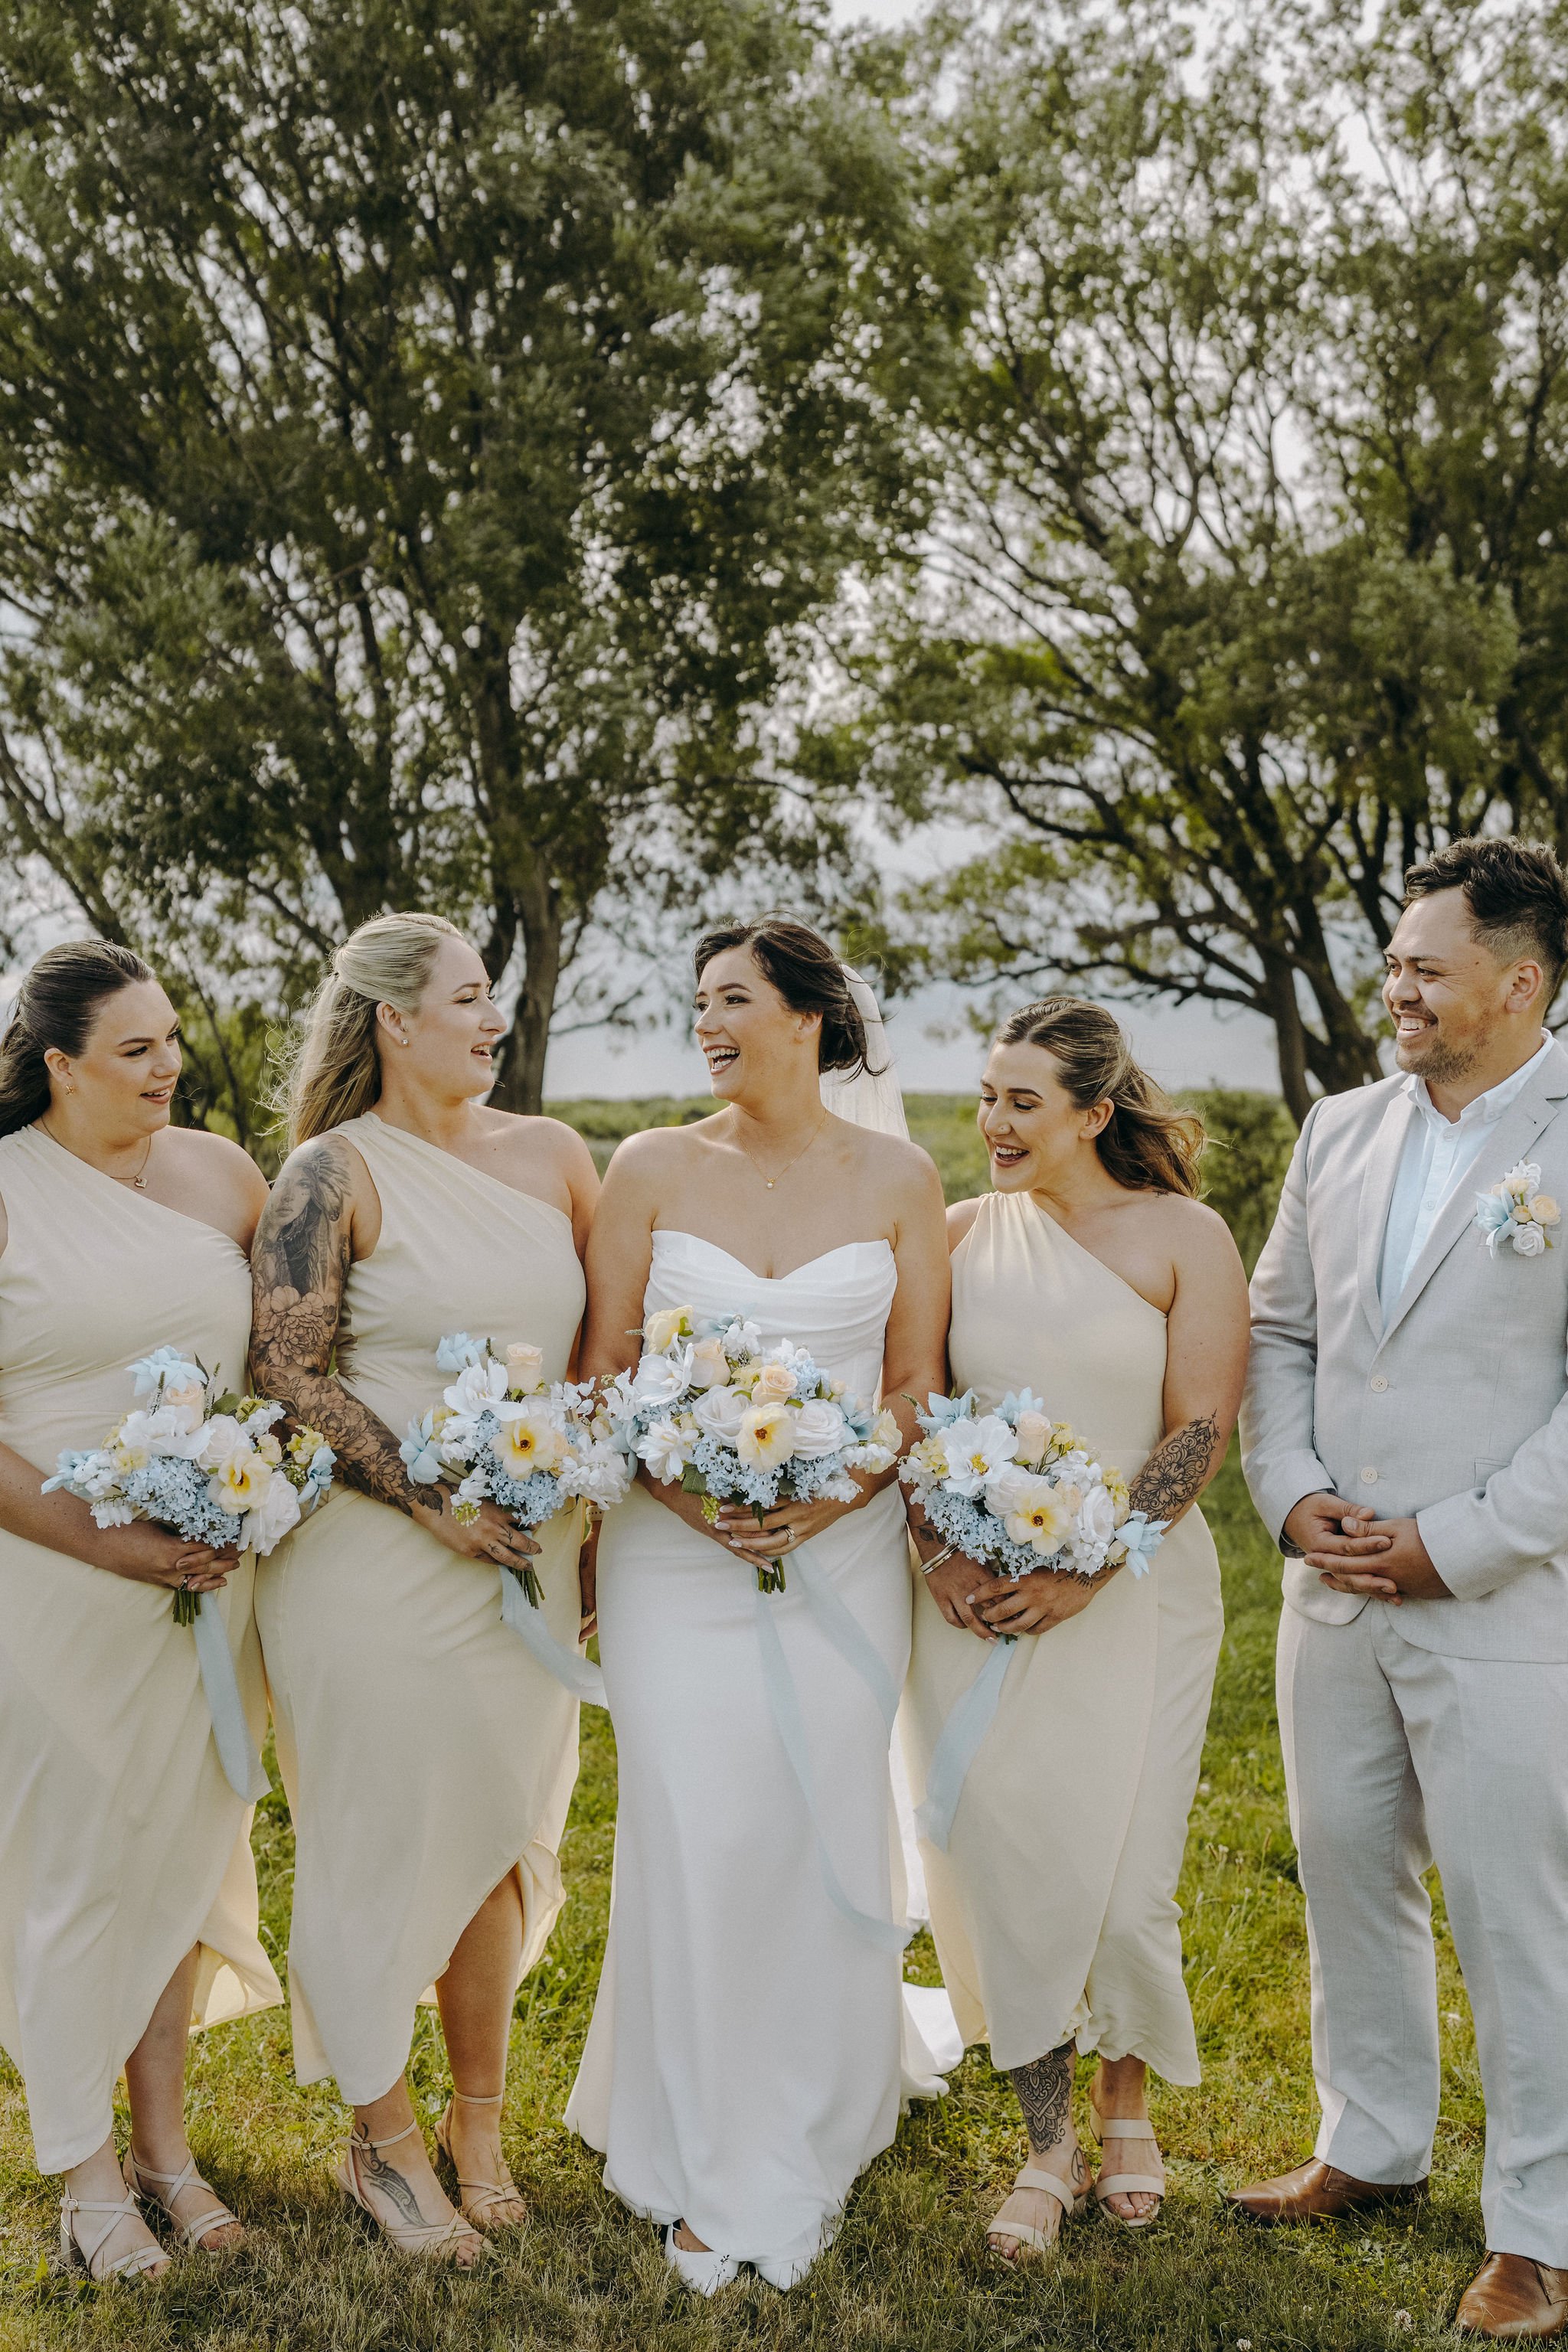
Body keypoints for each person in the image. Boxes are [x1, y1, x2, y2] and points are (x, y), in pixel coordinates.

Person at [564, 915, 952, 2293]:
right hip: (679, 1555)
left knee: (811, 1808)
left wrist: (839, 1493)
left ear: (809, 1018)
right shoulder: (651, 1164)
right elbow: (607, 1364)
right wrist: (683, 1499)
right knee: (698, 1820)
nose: (708, 1024)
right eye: (698, 1005)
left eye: (732, 1000)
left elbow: (915, 1384)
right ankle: (700, 2126)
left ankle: (818, 2098)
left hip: (841, 1552)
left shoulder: (903, 1177)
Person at [1236, 837, 1568, 2341]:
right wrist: (1289, 1495)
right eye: (1394, 962)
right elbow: (1280, 1334)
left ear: (1520, 981)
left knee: (1517, 1917)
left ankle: (1540, 2230)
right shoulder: (1339, 1129)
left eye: (1426, 966)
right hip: (1333, 1594)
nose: (1397, 987)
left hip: (1500, 1599)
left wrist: (1464, 1540)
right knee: (1346, 1876)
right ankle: (1366, 2145)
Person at [250, 912, 599, 2266]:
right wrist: (423, 1493)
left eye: (491, 997)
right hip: (374, 1557)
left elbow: (595, 1357)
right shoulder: (329, 1174)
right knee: (379, 1842)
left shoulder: (558, 1156)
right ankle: (385, 2149)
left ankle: (480, 2125)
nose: (490, 1018)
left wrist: (581, 1517)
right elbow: (285, 1370)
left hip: (529, 1548)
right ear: (396, 1021)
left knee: (504, 1837)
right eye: (466, 998)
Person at [902, 999, 1246, 2258]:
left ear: (1096, 1113)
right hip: (977, 1604)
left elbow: (1200, 1426)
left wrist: (1088, 1569)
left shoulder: (1184, 1236)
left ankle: (1125, 2111)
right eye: (987, 1096)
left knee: (1126, 1875)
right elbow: (919, 1407)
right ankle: (1048, 2145)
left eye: (1022, 1102)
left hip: (1137, 1589)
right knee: (1008, 1866)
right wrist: (943, 1547)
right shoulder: (950, 1235)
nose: (991, 1122)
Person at [0, 942, 280, 2281]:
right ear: (58, 1064)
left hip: (208, 1585)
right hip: (53, 1580)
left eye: (173, 1040)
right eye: (136, 1051)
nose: (169, 1067)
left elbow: (287, 1360)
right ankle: (85, 2170)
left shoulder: (223, 1176)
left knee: (178, 1857)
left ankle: (166, 2149)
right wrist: (102, 1539)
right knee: (73, 1869)